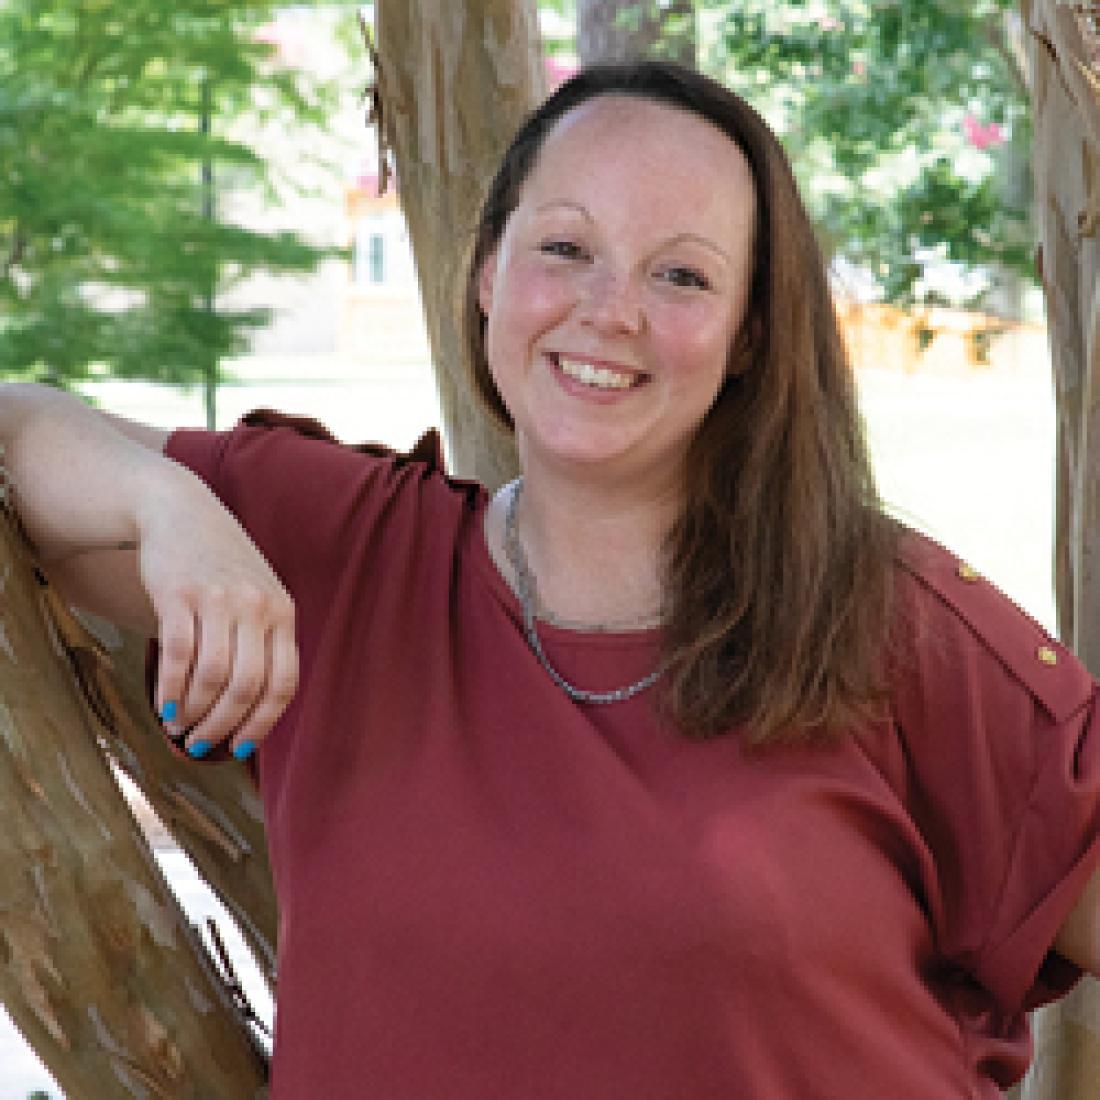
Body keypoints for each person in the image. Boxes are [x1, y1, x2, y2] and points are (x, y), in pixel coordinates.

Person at [2, 60, 1098, 1099]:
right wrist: (172, 505)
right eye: (564, 247)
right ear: (487, 271)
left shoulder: (886, 617)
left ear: (751, 331)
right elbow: (18, 430)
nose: (607, 309)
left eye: (679, 273)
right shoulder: (346, 551)